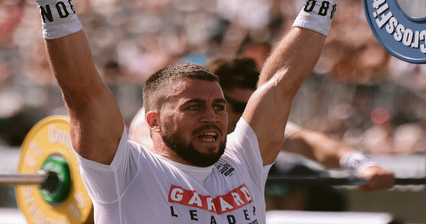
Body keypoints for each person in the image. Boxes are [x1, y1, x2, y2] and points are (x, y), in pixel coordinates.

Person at [20, 0, 343, 224]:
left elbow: (279, 85)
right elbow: (84, 93)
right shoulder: (125, 171)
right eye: (193, 107)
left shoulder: (243, 159)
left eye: (219, 106)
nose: (212, 117)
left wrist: (320, 0)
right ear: (154, 121)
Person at [129, 56, 395, 197]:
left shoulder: (247, 124)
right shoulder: (158, 118)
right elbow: (151, 155)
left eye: (249, 107)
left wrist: (362, 165)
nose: (214, 116)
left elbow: (307, 142)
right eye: (229, 105)